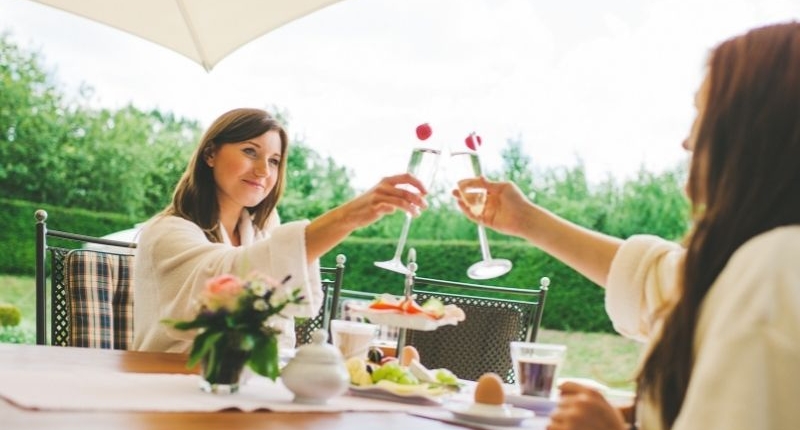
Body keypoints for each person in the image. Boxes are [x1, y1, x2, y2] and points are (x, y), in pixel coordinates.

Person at [453, 22, 800, 430]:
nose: (686, 142)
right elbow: (652, 278)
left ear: (751, 132)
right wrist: (524, 220)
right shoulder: (757, 260)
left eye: (703, 113)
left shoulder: (775, 271)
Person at [134, 108, 428, 353]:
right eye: (250, 151)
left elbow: (283, 317)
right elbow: (227, 279)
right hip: (171, 385)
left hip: (249, 389)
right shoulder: (166, 234)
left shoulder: (261, 231)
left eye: (274, 161)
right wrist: (347, 217)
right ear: (210, 154)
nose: (264, 171)